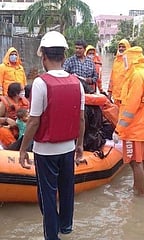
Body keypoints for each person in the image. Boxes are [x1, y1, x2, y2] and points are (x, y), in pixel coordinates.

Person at [18, 31, 85, 240]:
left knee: (47, 197)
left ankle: (52, 236)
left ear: (43, 56)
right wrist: (80, 146)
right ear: (64, 57)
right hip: (68, 149)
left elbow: (34, 121)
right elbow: (81, 119)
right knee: (66, 192)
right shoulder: (77, 83)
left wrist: (22, 150)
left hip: (45, 152)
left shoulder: (40, 83)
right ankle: (65, 227)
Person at [114, 46, 144, 196]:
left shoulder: (136, 76)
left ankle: (139, 195)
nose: (124, 62)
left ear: (131, 59)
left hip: (134, 129)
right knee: (139, 161)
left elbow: (130, 106)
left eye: (125, 59)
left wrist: (119, 129)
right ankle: (137, 190)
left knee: (134, 163)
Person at [108, 39, 131, 106]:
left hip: (126, 95)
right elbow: (112, 77)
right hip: (116, 95)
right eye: (120, 46)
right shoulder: (116, 61)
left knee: (125, 115)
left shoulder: (130, 61)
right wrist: (109, 92)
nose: (121, 48)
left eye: (123, 47)